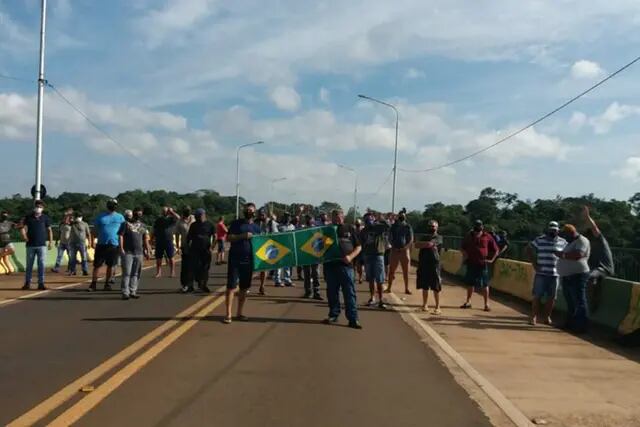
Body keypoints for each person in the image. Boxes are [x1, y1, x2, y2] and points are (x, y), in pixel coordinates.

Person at [323, 209, 363, 329]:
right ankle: (333, 314)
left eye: (340, 215)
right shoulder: (326, 230)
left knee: (349, 293)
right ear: (332, 217)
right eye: (335, 216)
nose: (337, 218)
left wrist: (350, 257)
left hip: (346, 267)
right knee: (332, 292)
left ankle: (353, 318)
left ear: (343, 217)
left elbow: (359, 247)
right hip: (330, 266)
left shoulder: (349, 228)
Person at [224, 202, 260, 324]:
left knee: (244, 288)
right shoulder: (236, 224)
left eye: (251, 210)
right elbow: (228, 238)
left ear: (254, 212)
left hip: (248, 260)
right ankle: (228, 314)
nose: (249, 212)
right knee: (231, 287)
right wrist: (242, 236)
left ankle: (239, 313)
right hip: (235, 259)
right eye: (247, 209)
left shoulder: (257, 228)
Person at [527, 221, 567, 325]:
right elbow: (529, 249)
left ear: (558, 231)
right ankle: (533, 317)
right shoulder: (539, 240)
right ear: (548, 229)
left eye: (555, 230)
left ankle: (547, 317)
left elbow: (566, 255)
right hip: (541, 273)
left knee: (552, 298)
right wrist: (535, 264)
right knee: (537, 296)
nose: (552, 231)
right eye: (551, 230)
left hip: (555, 274)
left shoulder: (563, 242)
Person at [556, 224, 591, 333]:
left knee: (579, 301)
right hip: (568, 276)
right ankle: (570, 324)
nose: (565, 237)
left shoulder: (582, 241)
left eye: (565, 234)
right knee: (570, 301)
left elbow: (578, 255)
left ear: (571, 233)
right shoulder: (570, 242)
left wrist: (562, 255)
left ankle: (581, 326)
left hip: (578, 275)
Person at [460, 220, 499, 311]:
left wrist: (492, 259)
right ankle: (468, 301)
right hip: (471, 262)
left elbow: (496, 250)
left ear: (482, 226)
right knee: (470, 283)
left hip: (483, 263)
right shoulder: (469, 236)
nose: (478, 227)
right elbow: (462, 247)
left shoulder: (487, 236)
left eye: (480, 226)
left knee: (485, 284)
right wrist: (465, 254)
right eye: (477, 226)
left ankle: (486, 304)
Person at [582, 206, 614, 313]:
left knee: (590, 277)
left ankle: (594, 302)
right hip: (596, 268)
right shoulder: (589, 246)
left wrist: (587, 217)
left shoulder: (600, 240)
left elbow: (594, 228)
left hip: (604, 268)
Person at [89, 199, 125, 292]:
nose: (112, 206)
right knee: (97, 265)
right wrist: (92, 241)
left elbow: (123, 232)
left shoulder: (120, 217)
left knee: (110, 265)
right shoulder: (100, 217)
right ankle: (93, 284)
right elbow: (93, 231)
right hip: (101, 244)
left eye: (114, 205)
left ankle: (107, 284)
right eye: (111, 204)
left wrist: (122, 246)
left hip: (113, 244)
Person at [20, 200, 53, 290]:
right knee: (29, 265)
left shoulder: (45, 218)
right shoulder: (28, 217)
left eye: (40, 207)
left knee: (41, 264)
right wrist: (24, 236)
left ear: (43, 208)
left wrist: (50, 242)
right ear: (34, 207)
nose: (38, 208)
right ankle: (27, 283)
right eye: (37, 206)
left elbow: (49, 230)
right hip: (30, 245)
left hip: (42, 244)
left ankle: (41, 283)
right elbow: (22, 227)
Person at [119, 209, 151, 300]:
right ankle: (125, 292)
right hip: (128, 252)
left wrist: (148, 250)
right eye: (137, 214)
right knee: (127, 273)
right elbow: (121, 236)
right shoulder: (125, 224)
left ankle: (133, 291)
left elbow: (145, 239)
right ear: (133, 214)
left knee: (136, 273)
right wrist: (121, 248)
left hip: (139, 252)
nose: (138, 216)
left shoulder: (143, 225)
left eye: (140, 214)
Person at [360, 212, 389, 309]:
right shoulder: (363, 231)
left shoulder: (378, 227)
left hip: (378, 255)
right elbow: (361, 243)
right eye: (366, 218)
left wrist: (381, 218)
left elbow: (388, 226)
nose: (368, 220)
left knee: (380, 279)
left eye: (370, 218)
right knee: (370, 279)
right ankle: (372, 298)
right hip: (368, 255)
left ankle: (381, 299)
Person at [415, 220, 444, 314]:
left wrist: (424, 244)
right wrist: (425, 244)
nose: (431, 228)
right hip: (424, 263)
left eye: (433, 226)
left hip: (434, 264)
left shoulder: (439, 237)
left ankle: (437, 307)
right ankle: (424, 305)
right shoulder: (425, 237)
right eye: (430, 226)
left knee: (436, 286)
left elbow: (429, 244)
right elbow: (416, 244)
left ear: (437, 227)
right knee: (424, 286)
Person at [187, 208, 216, 293]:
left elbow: (215, 236)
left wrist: (212, 247)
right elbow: (189, 237)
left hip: (206, 250)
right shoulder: (193, 225)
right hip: (195, 249)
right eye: (196, 216)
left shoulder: (210, 224)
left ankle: (204, 284)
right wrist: (187, 246)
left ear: (203, 215)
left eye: (198, 216)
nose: (197, 218)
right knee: (194, 267)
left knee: (205, 267)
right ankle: (191, 285)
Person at [387, 208, 414, 295]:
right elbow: (389, 237)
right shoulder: (393, 226)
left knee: (406, 271)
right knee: (391, 270)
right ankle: (389, 287)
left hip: (404, 251)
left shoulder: (407, 226)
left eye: (403, 216)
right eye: (401, 216)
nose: (402, 217)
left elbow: (411, 239)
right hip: (395, 250)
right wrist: (393, 246)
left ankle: (407, 288)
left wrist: (405, 247)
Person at [153, 206, 180, 278]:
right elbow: (154, 229)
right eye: (163, 211)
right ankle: (158, 272)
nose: (164, 212)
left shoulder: (171, 219)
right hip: (159, 240)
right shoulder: (158, 219)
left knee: (171, 257)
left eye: (166, 211)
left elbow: (178, 218)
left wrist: (172, 212)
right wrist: (152, 238)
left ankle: (172, 272)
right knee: (159, 258)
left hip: (168, 240)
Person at [302, 214, 322, 300]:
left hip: (315, 255)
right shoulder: (302, 230)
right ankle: (308, 292)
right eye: (307, 219)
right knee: (307, 274)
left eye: (310, 219)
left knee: (316, 274)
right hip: (306, 255)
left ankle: (316, 292)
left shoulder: (317, 229)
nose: (309, 220)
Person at [174, 207, 195, 293]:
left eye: (188, 211)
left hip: (194, 246)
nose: (187, 213)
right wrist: (178, 247)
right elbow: (177, 234)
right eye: (186, 211)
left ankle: (191, 284)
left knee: (193, 266)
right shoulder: (179, 221)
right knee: (185, 266)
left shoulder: (194, 219)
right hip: (185, 245)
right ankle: (185, 284)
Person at [274, 212, 295, 287]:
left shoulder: (292, 226)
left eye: (289, 216)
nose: (288, 218)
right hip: (280, 247)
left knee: (287, 265)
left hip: (289, 247)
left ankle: (287, 280)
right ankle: (277, 280)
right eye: (286, 216)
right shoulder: (279, 226)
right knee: (279, 265)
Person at [68, 211, 92, 276]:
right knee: (72, 258)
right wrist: (70, 215)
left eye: (79, 216)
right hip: (73, 243)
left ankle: (85, 270)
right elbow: (67, 221)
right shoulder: (72, 223)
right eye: (77, 216)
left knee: (84, 257)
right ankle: (73, 271)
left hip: (82, 243)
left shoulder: (85, 224)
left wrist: (90, 242)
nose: (78, 218)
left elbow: (88, 234)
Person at [0, 210, 16, 275]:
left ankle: (8, 270)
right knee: (4, 258)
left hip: (7, 241)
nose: (5, 216)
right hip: (0, 242)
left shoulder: (9, 223)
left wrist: (22, 223)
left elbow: (17, 226)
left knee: (12, 250)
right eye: (3, 215)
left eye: (6, 215)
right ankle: (8, 270)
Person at [354, 218, 365, 284]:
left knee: (361, 265)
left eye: (358, 224)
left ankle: (360, 277)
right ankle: (357, 276)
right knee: (357, 265)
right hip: (355, 250)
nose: (358, 225)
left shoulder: (363, 231)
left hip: (362, 250)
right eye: (357, 224)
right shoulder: (354, 231)